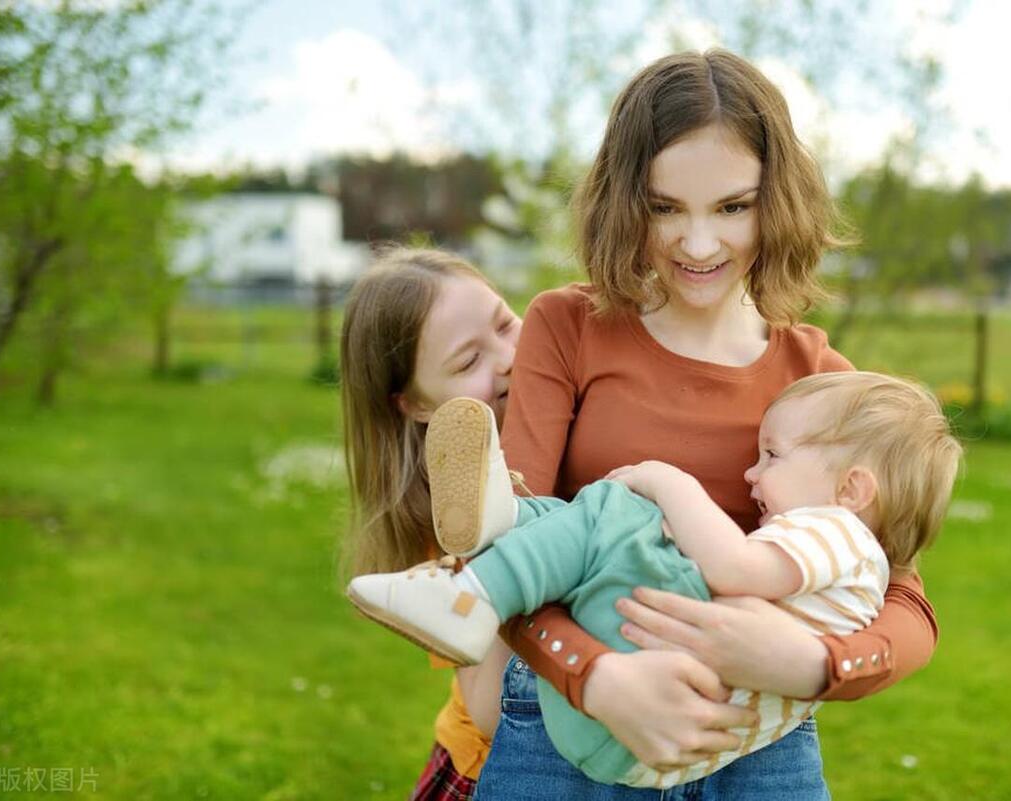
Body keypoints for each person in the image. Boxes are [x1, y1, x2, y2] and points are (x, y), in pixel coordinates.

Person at [472, 49, 941, 800]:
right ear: (626, 201)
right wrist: (594, 676)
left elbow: (905, 597)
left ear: (776, 200)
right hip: (576, 728)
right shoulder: (566, 327)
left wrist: (813, 664)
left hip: (755, 743)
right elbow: (505, 540)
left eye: (732, 207)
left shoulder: (819, 378)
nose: (697, 244)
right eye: (664, 207)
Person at [347, 371, 962, 789]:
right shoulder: (848, 565)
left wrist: (666, 481)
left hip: (639, 702)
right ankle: (509, 524)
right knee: (584, 529)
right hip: (643, 739)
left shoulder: (838, 533)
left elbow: (733, 569)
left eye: (772, 456)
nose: (751, 474)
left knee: (625, 516)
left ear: (852, 489)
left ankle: (473, 584)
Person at [338, 247, 521, 801]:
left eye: (507, 323)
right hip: (489, 773)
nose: (510, 357)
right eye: (469, 362)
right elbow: (491, 709)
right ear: (416, 405)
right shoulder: (455, 517)